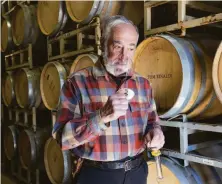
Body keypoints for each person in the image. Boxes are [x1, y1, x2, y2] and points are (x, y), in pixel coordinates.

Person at [52, 15, 165, 184]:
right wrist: (101, 116)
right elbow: (62, 138)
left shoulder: (143, 84)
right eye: (117, 46)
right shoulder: (77, 82)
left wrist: (156, 133)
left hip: (137, 172)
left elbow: (152, 122)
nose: (124, 56)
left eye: (131, 48)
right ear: (103, 44)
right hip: (97, 175)